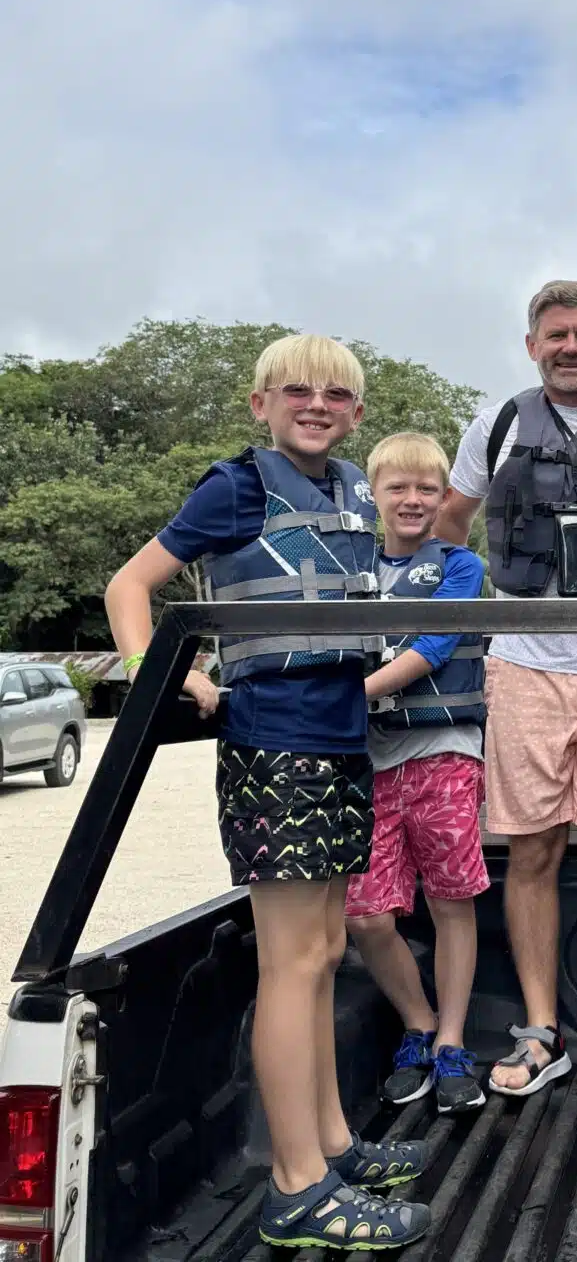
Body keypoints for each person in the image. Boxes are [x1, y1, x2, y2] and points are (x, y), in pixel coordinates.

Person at [104, 335, 431, 1254]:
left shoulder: (355, 487)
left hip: (338, 741)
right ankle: (298, 1187)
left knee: (326, 951)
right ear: (261, 404)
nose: (317, 405)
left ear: (356, 413)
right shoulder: (237, 487)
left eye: (336, 394)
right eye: (297, 391)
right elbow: (132, 584)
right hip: (272, 744)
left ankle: (329, 1142)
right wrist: (154, 675)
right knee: (291, 962)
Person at [435, 280, 577, 1106]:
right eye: (556, 334)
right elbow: (451, 520)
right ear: (532, 344)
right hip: (524, 659)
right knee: (530, 849)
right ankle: (541, 1030)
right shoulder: (493, 426)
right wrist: (453, 617)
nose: (571, 347)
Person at [345, 432, 489, 1117]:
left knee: (451, 899)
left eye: (426, 489)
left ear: (443, 498)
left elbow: (434, 646)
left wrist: (352, 694)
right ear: (374, 495)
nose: (411, 500)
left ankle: (453, 1042)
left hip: (443, 750)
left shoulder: (461, 566)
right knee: (368, 915)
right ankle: (418, 1021)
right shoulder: (350, 567)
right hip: (369, 760)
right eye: (397, 488)